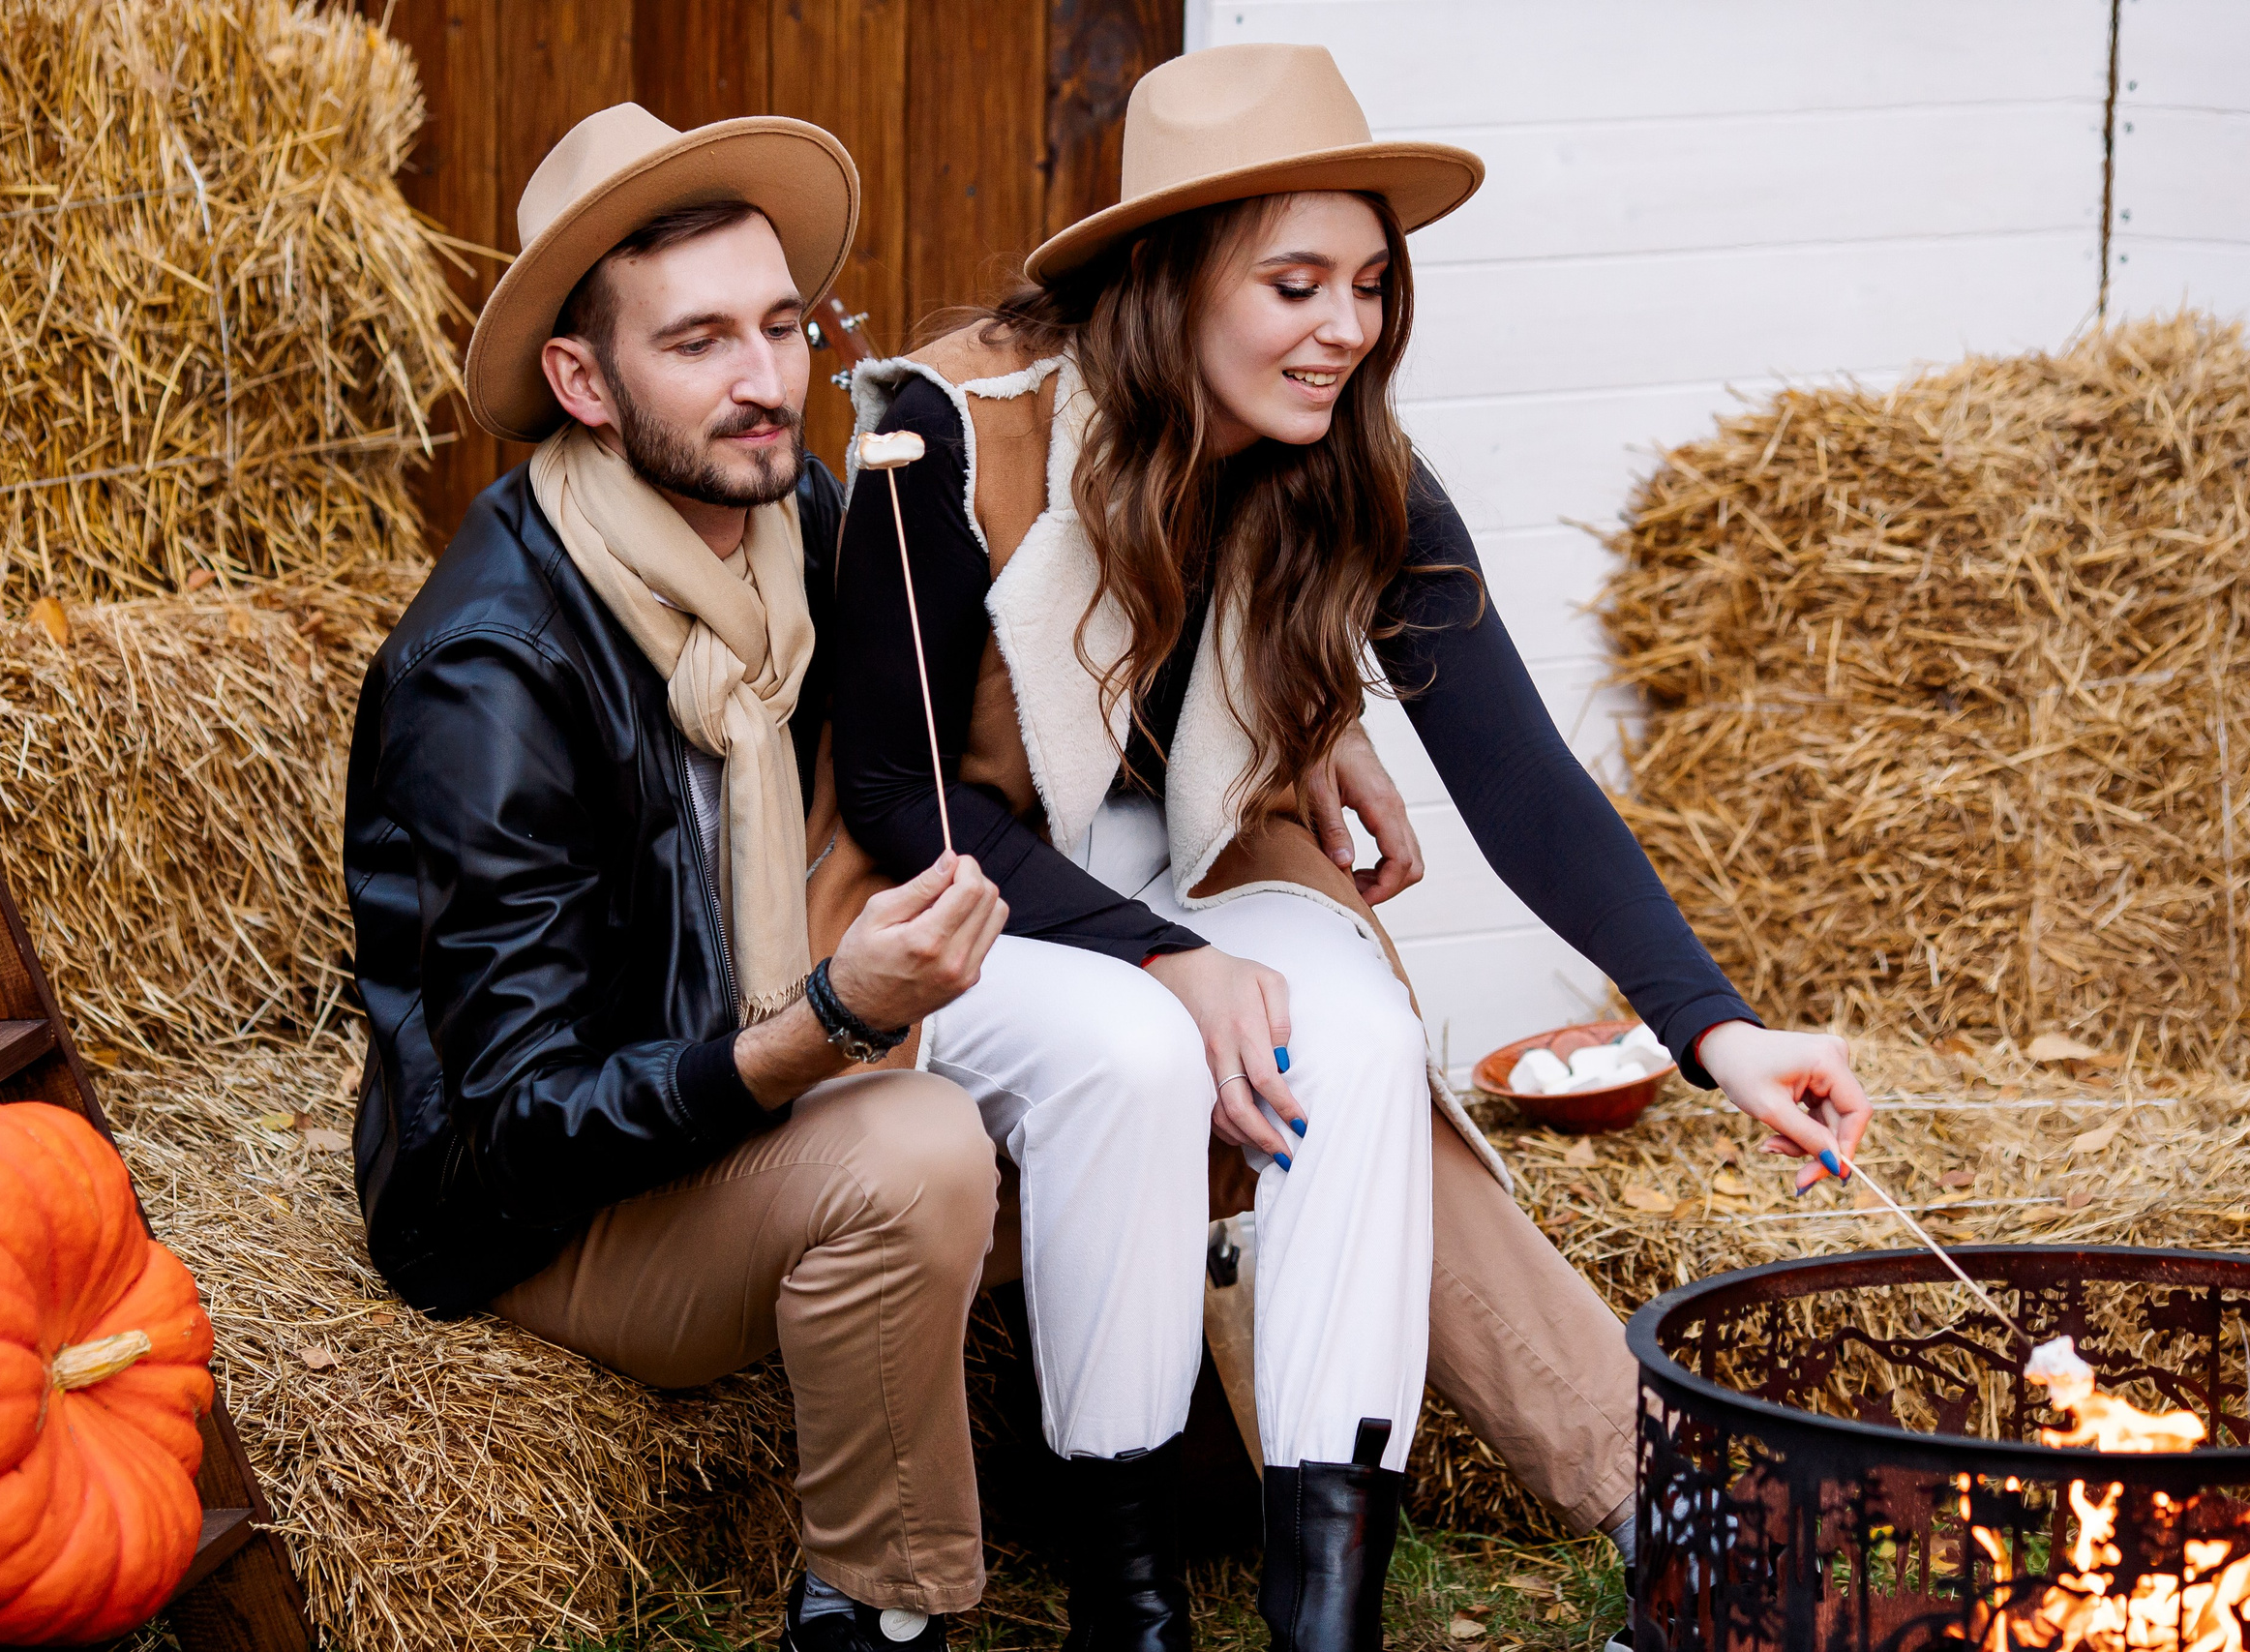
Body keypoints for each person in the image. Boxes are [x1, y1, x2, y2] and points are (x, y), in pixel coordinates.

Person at [815, 44, 1876, 1652]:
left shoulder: (1350, 464)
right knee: (1140, 1052)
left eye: (1370, 284)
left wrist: (1716, 1031)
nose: (1346, 328)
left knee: (1367, 1037)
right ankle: (1137, 1614)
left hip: (1177, 850)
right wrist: (1170, 960)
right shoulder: (951, 435)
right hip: (956, 890)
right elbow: (898, 796)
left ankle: (1330, 1622)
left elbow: (1520, 780)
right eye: (1295, 282)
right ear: (1169, 282)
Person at [341, 105, 1017, 1652]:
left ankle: (1172, 1515)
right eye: (700, 340)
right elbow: (520, 1130)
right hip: (547, 1220)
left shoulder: (799, 528)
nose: (765, 381)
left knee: (1119, 1050)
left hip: (728, 1076)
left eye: (781, 326)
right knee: (919, 1147)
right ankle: (872, 1606)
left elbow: (956, 749)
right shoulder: (494, 670)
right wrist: (830, 1024)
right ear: (583, 382)